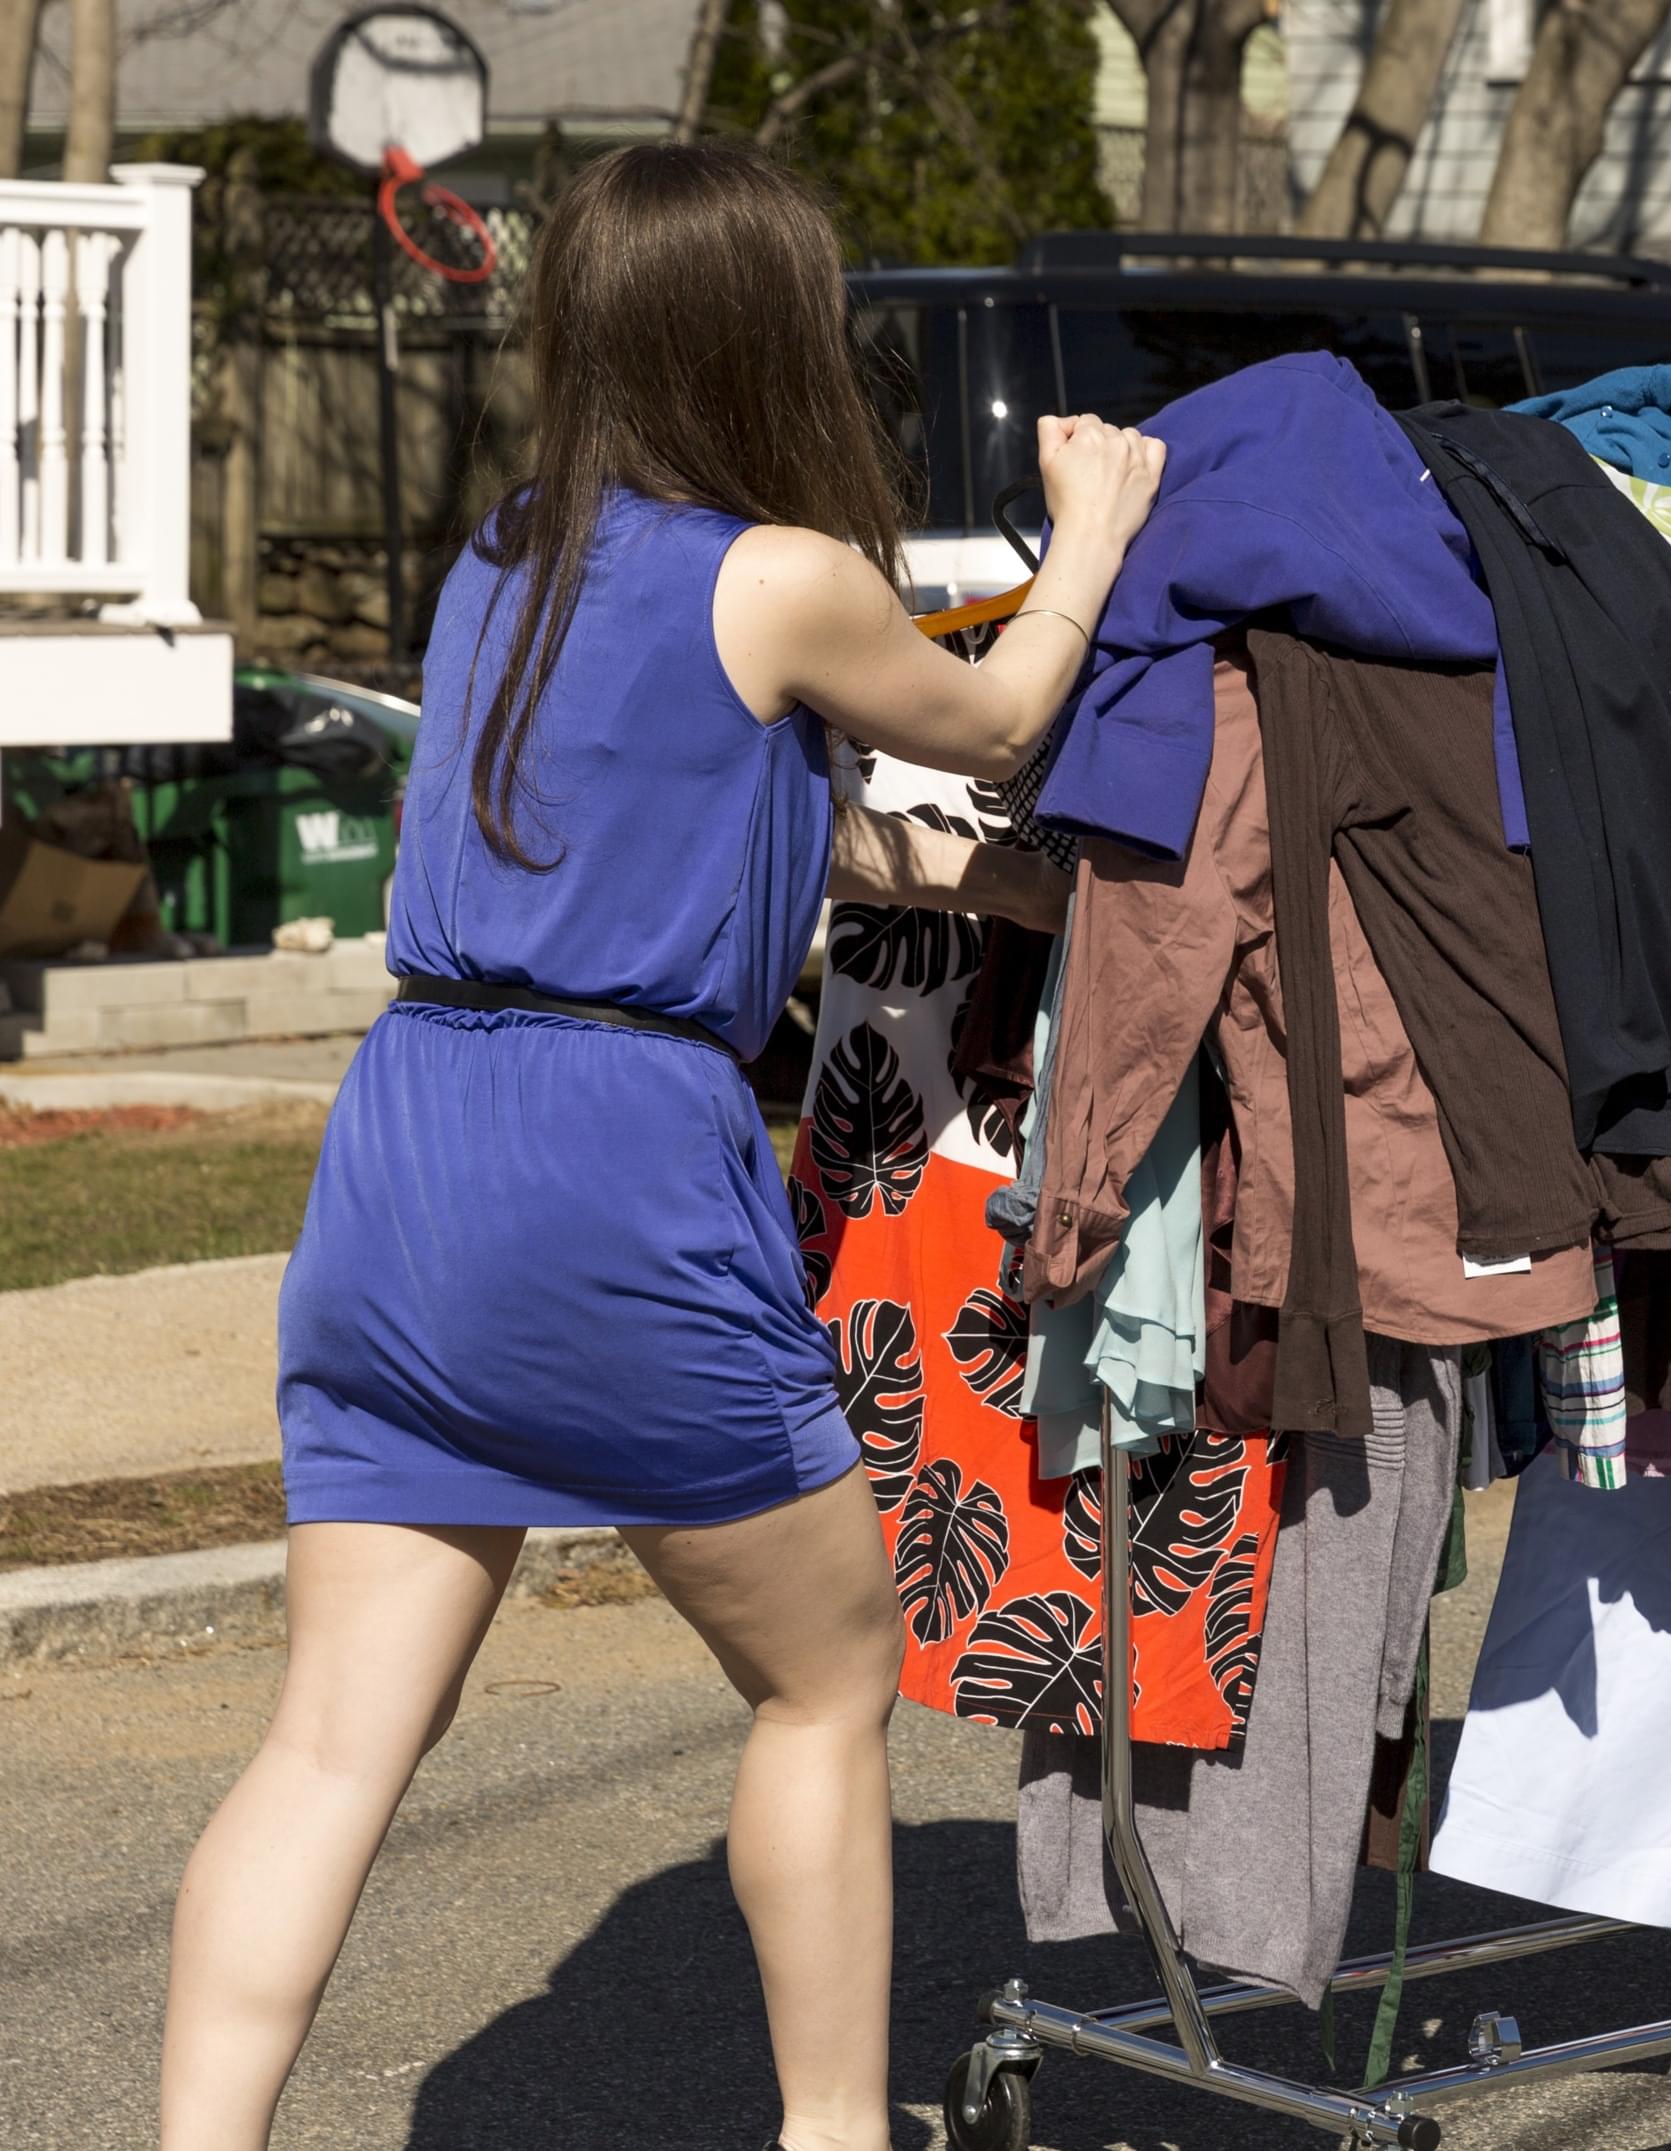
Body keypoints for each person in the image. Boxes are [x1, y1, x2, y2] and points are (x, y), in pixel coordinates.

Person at [158, 142, 1162, 2151]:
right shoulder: (782, 570)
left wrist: (996, 893)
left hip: (410, 1145)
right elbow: (997, 714)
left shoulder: (506, 550)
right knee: (823, 1674)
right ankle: (827, 2130)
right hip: (611, 1163)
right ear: (766, 324)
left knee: (336, 1739)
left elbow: (683, 829)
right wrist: (1094, 528)